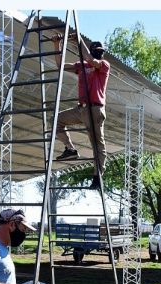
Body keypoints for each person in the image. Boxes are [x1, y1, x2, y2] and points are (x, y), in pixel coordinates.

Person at [51, 32, 110, 190]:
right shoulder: (82, 66)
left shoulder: (103, 65)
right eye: (97, 50)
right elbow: (60, 66)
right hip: (82, 108)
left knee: (97, 145)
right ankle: (70, 149)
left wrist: (78, 40)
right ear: (91, 50)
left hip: (95, 109)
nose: (100, 52)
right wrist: (57, 45)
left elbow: (90, 60)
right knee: (56, 120)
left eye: (101, 51)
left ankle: (98, 177)